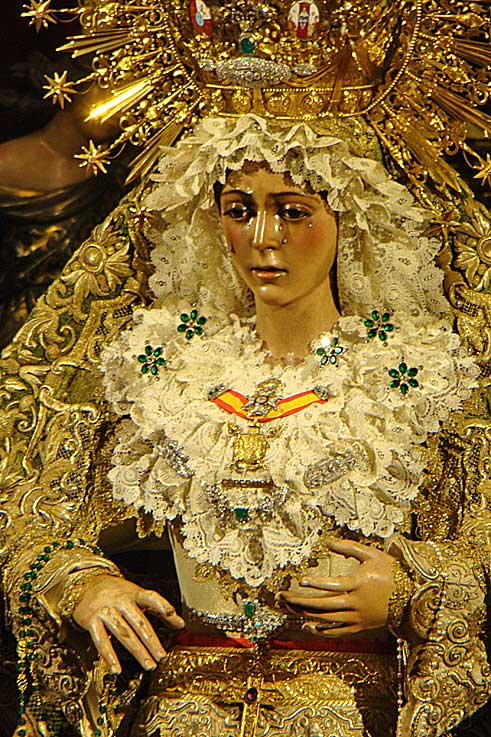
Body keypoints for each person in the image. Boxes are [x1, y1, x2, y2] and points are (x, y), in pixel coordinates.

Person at [3, 112, 491, 737]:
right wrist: (87, 587)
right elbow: (37, 522)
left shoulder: (413, 377)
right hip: (180, 712)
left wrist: (413, 591)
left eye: (293, 212)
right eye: (239, 210)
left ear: (351, 219)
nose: (263, 237)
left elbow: (477, 545)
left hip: (344, 712)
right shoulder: (164, 371)